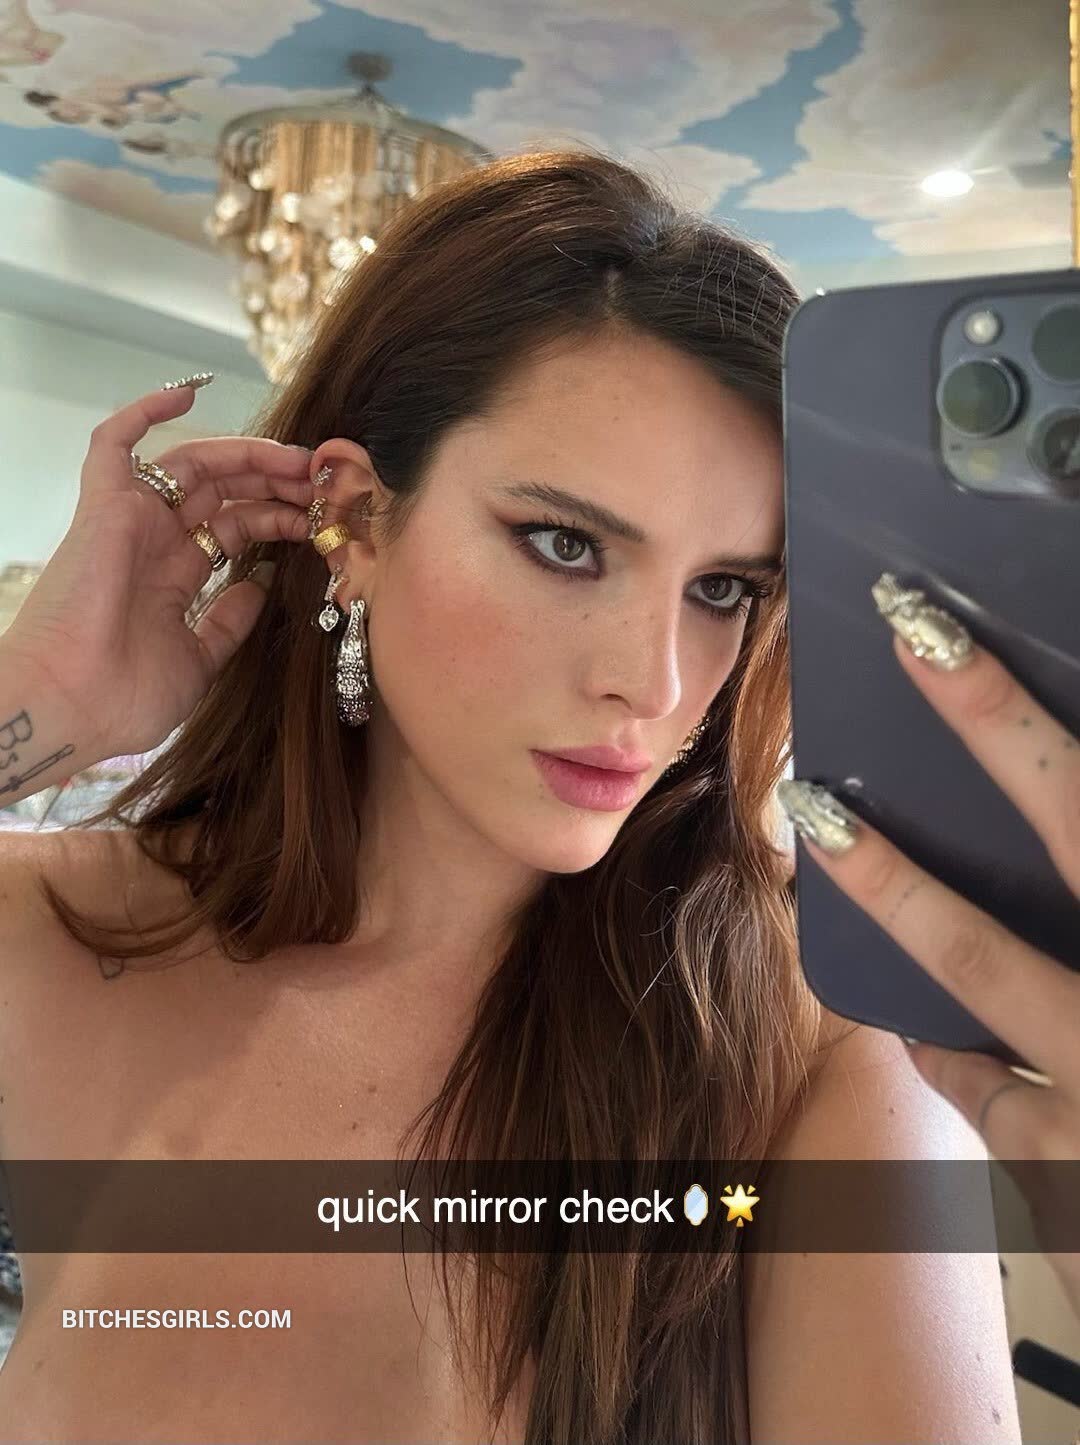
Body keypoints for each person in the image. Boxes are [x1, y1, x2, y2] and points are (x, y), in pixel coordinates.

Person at [0, 146, 1057, 1444]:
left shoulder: (815, 1053)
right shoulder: (51, 935)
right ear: (354, 520)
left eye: (724, 588)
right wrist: (37, 704)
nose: (654, 683)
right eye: (566, 544)